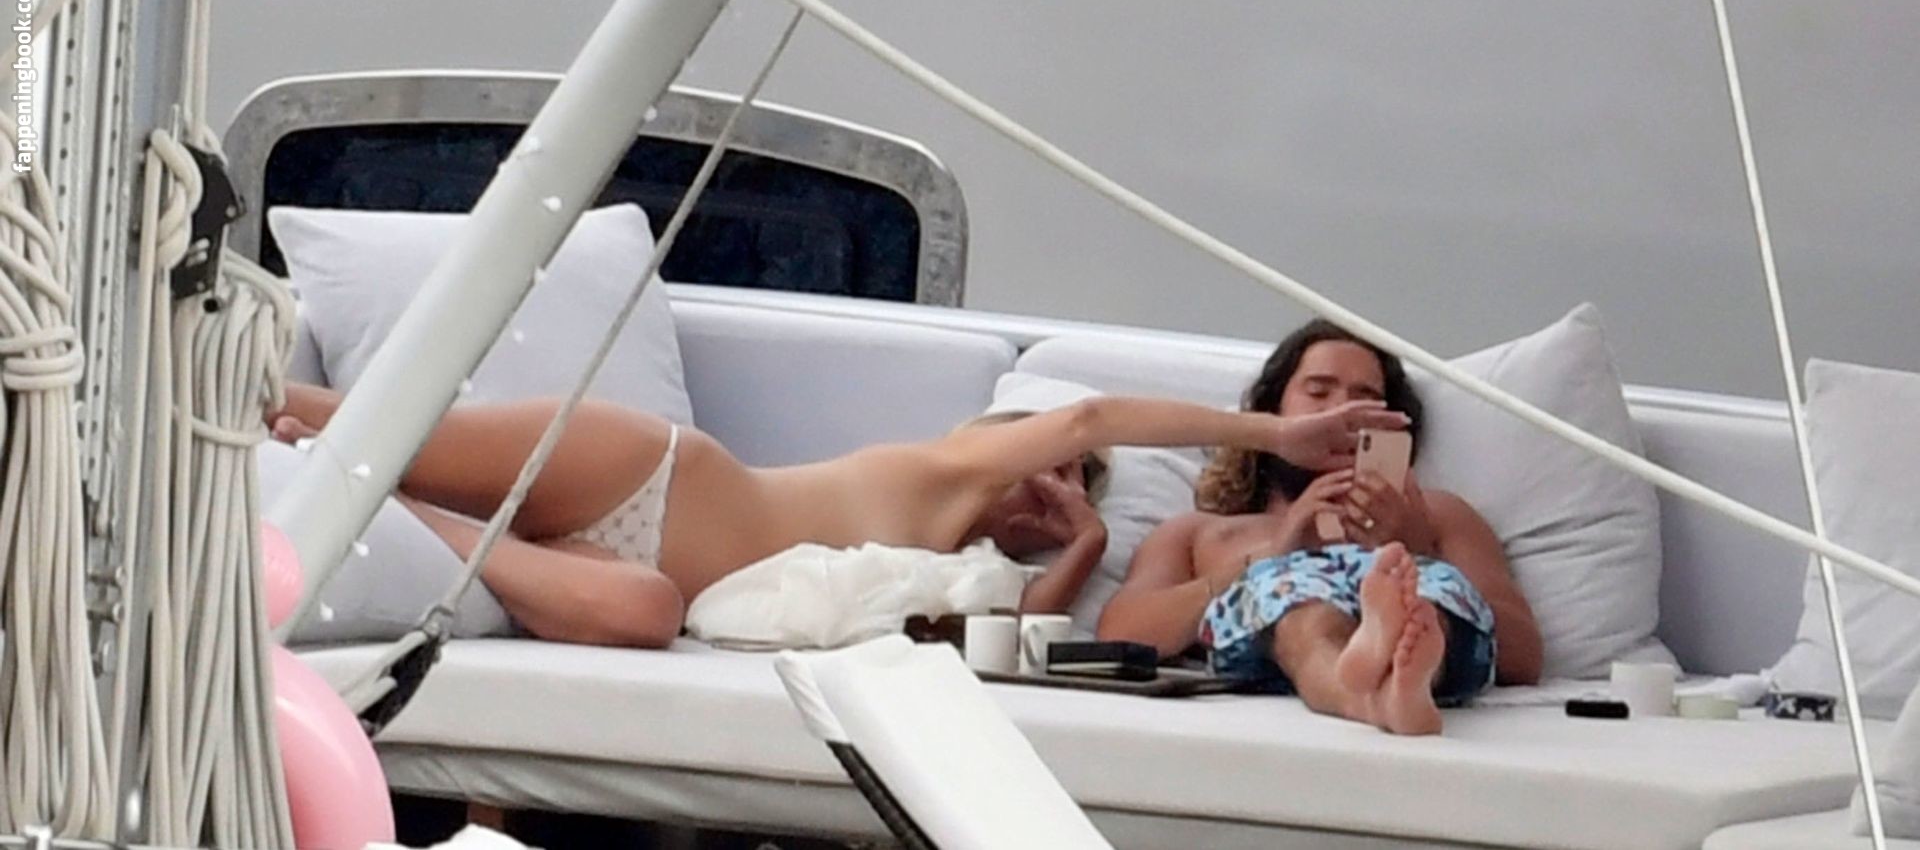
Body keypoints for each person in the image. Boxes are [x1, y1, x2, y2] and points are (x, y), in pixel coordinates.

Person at [267, 379, 1406, 650]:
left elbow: (1016, 643)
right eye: (1051, 470)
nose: (1052, 488)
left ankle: (415, 513)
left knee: (645, 612)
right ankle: (219, 365)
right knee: (338, 418)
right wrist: (1272, 435)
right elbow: (1091, 414)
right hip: (650, 473)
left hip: (650, 577)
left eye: (1073, 489)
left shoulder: (966, 574)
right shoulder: (952, 468)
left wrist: (1091, 542)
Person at [1096, 320, 1543, 735]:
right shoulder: (1203, 533)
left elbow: (1523, 656)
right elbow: (1121, 634)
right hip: (1285, 625)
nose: (1341, 410)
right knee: (1301, 606)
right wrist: (1271, 555)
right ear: (1271, 411)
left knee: (1423, 605)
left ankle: (1398, 661)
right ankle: (1376, 689)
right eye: (1318, 392)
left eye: (1364, 396)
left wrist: (1418, 548)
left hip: (1433, 637)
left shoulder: (1439, 514)